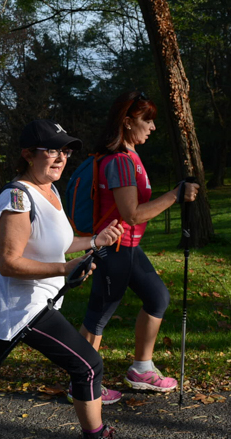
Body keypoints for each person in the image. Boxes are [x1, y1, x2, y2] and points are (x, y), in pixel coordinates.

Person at [0, 119, 148, 439]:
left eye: (65, 151)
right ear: (28, 154)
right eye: (52, 150)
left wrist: (95, 241)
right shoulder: (18, 198)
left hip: (30, 302)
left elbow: (58, 243)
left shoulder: (51, 191)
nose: (60, 157)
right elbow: (9, 263)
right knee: (88, 365)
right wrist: (65, 268)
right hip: (23, 307)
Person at [78, 90, 199, 395]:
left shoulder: (130, 156)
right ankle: (81, 383)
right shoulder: (119, 160)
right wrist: (175, 195)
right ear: (128, 121)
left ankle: (142, 369)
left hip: (129, 247)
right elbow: (131, 214)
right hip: (114, 247)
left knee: (157, 298)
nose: (153, 127)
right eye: (148, 120)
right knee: (98, 317)